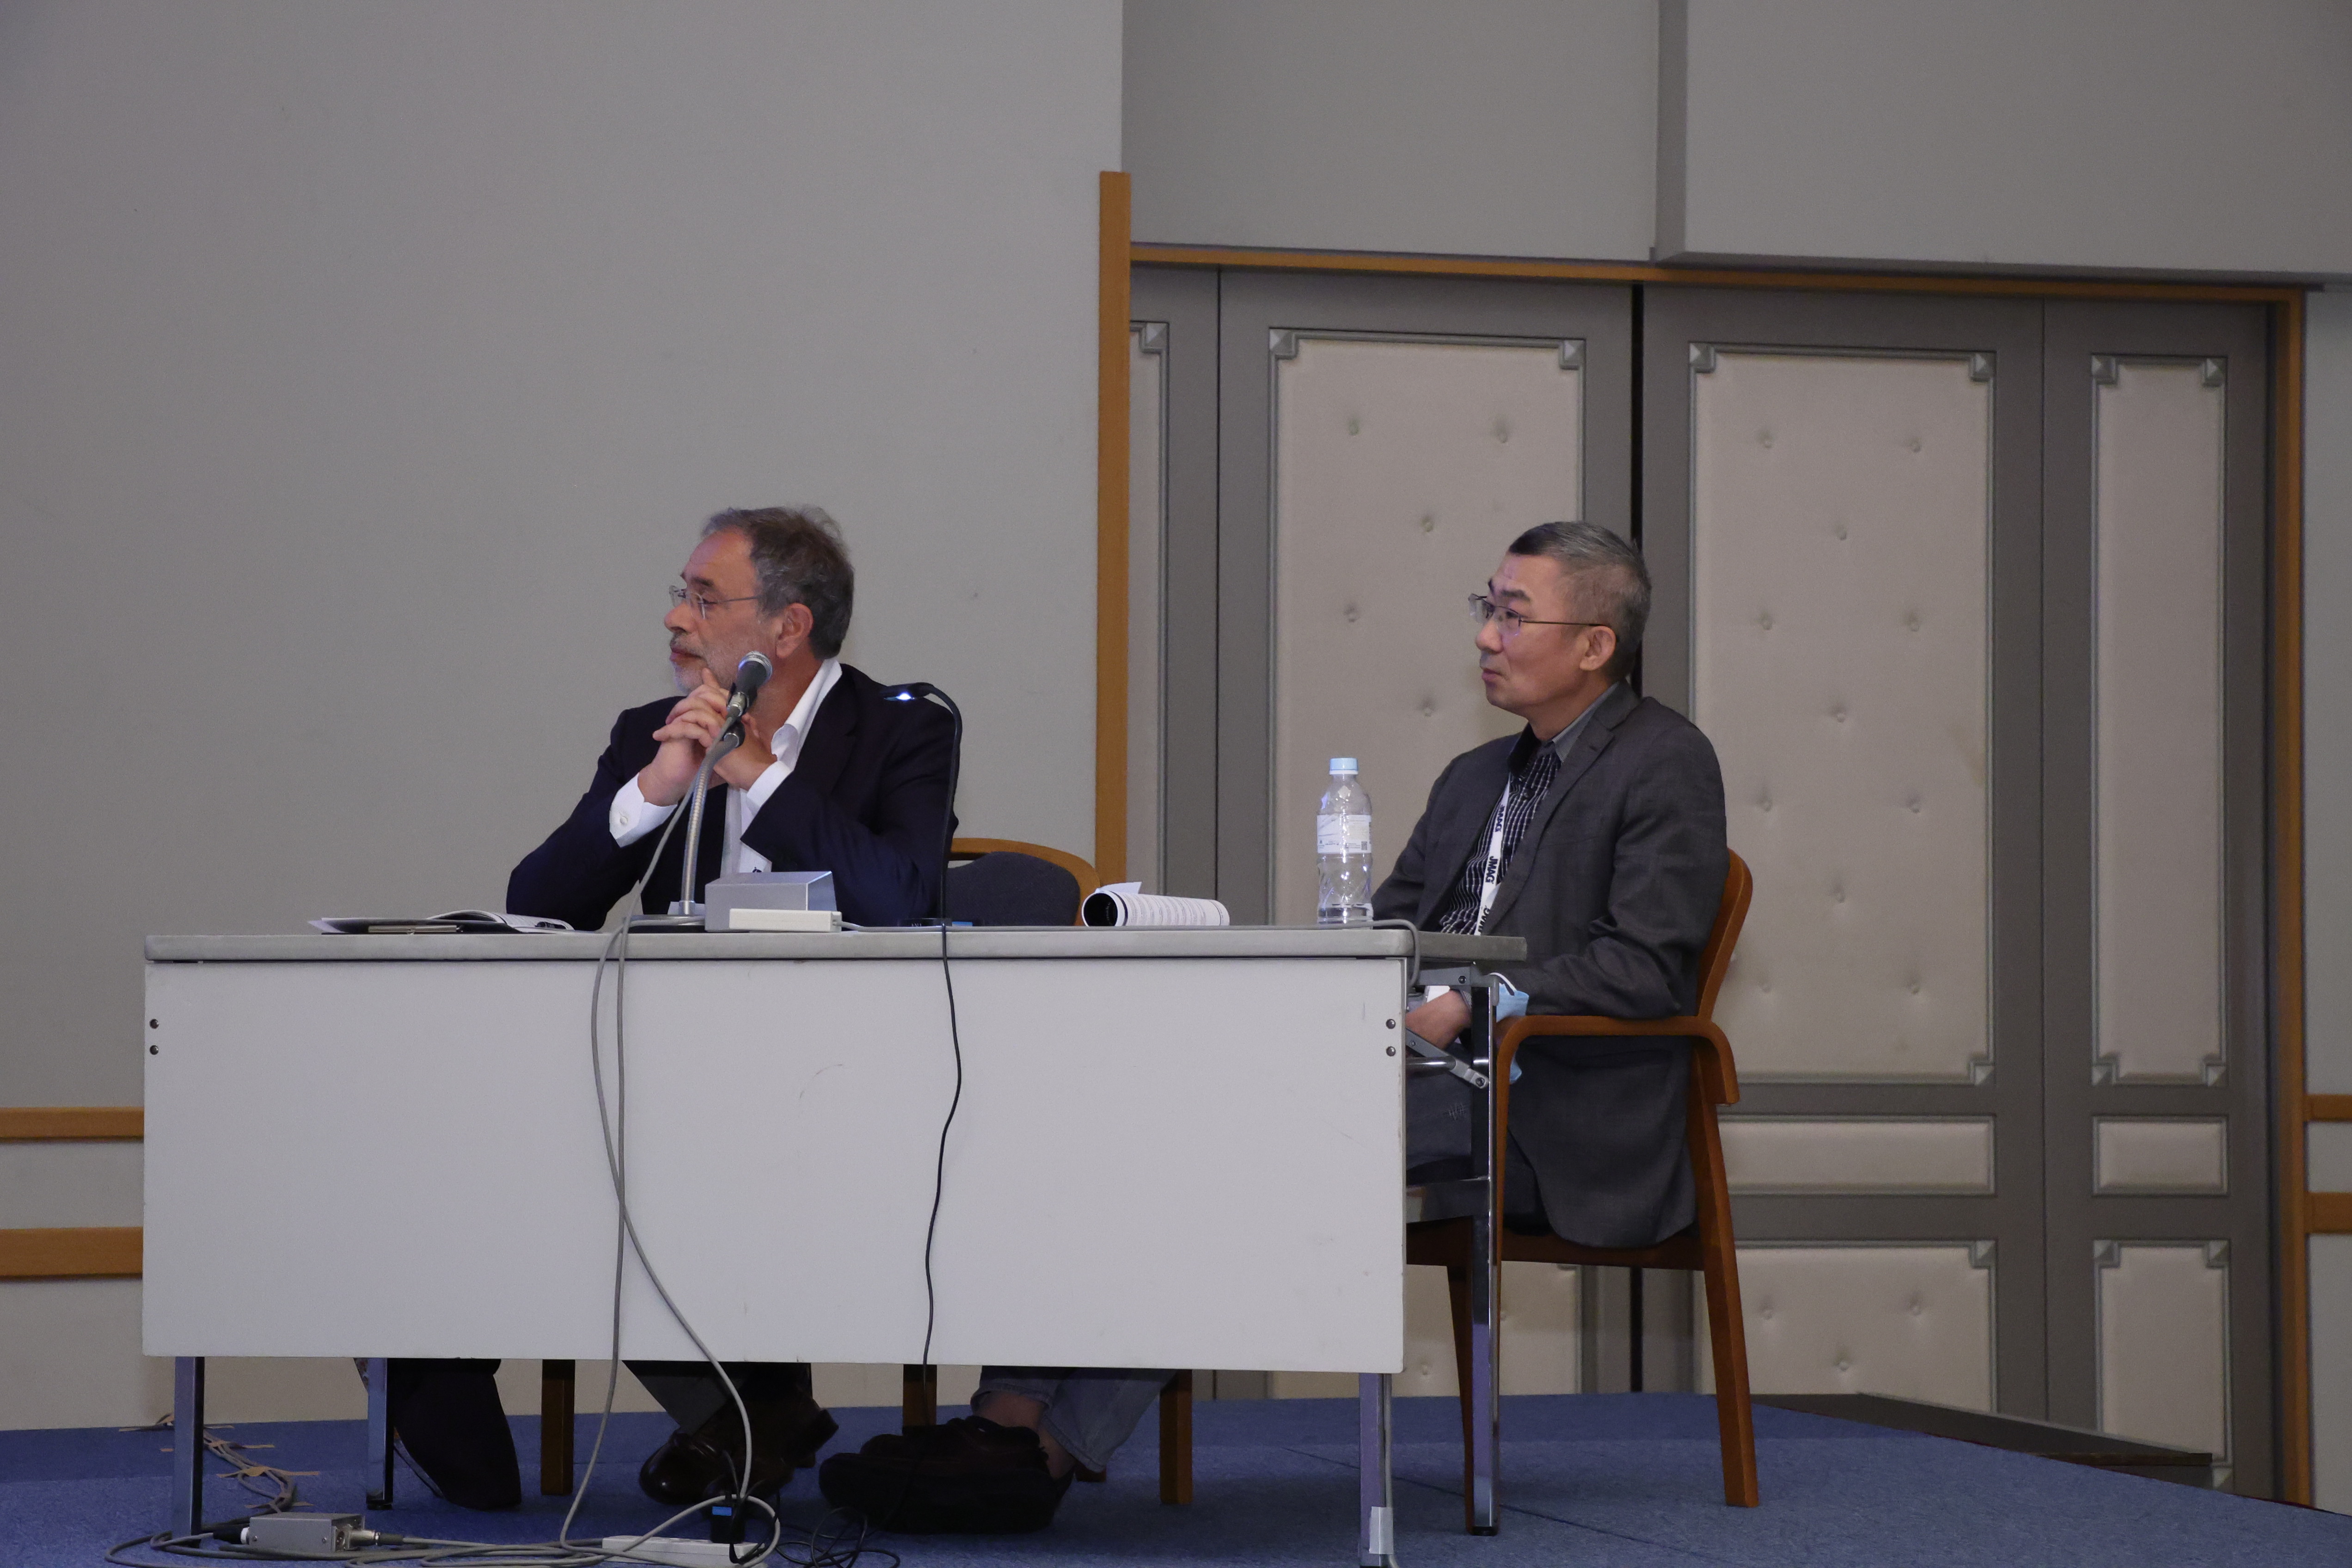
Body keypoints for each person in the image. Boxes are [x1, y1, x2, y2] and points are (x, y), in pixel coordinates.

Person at [815, 519, 1726, 1533]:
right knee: (1139, 1127)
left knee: (1244, 1152)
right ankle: (1012, 1419)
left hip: (1548, 1102)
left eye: (1514, 616)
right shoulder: (1476, 776)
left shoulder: (1665, 761)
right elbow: (1384, 928)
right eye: (1487, 608)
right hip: (1409, 1070)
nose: (1486, 635)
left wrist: (1477, 1000)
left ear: (1596, 644)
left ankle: (1042, 1445)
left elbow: (1646, 964)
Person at [390, 506, 956, 1511]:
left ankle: (747, 1412)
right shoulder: (649, 731)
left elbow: (901, 897)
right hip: (673, 1070)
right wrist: (655, 789)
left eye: (703, 598)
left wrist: (760, 776)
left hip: (837, 1076)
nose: (675, 617)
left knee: (632, 1156)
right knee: (502, 1130)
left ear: (787, 626)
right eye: (680, 594)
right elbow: (540, 904)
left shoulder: (904, 728)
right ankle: (445, 1356)